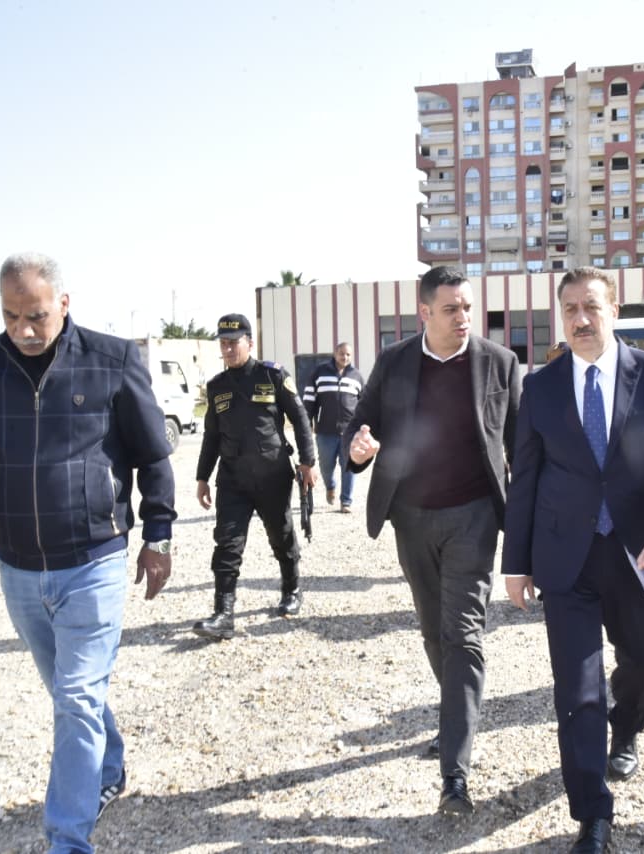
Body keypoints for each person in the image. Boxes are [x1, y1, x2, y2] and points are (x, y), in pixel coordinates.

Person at [0, 253, 176, 854]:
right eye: (10, 316)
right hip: (19, 568)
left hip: (95, 560)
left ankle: (68, 839)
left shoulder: (111, 359)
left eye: (35, 316)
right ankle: (108, 767)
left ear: (64, 303)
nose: (23, 330)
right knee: (70, 692)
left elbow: (153, 455)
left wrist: (158, 535)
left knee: (77, 696)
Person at [503, 267, 644, 854]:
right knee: (577, 689)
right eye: (570, 309)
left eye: (591, 306)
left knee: (639, 671)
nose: (581, 319)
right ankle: (592, 813)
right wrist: (516, 562)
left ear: (614, 311)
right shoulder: (541, 387)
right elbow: (526, 478)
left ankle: (629, 728)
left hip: (641, 556)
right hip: (567, 559)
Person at [344, 266, 520, 816]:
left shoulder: (500, 362)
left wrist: (533, 522)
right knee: (432, 631)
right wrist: (357, 447)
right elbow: (361, 423)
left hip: (475, 517)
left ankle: (454, 776)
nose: (463, 317)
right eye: (450, 309)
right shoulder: (395, 362)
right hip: (412, 518)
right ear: (424, 313)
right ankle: (455, 715)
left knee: (463, 634)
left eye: (467, 307)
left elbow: (522, 445)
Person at [193, 314, 316, 639]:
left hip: (272, 474)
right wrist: (202, 477)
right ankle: (223, 614)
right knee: (227, 543)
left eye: (233, 343)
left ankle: (292, 589)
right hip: (233, 479)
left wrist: (308, 461)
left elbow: (300, 418)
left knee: (281, 535)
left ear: (250, 342)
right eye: (223, 343)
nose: (227, 349)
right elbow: (211, 436)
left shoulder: (272, 375)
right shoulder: (216, 386)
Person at [302, 342, 364, 513]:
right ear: (335, 353)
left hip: (350, 431)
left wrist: (363, 425)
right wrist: (307, 422)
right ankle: (330, 486)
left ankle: (346, 501)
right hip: (325, 431)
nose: (345, 357)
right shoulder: (319, 373)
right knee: (326, 466)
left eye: (348, 354)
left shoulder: (357, 376)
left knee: (349, 465)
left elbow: (364, 403)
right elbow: (309, 399)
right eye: (342, 353)